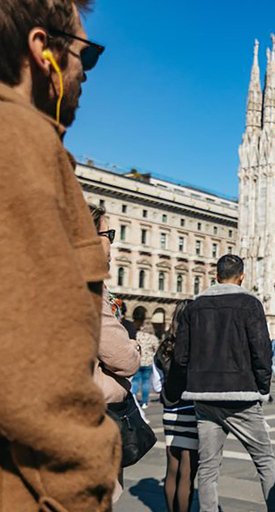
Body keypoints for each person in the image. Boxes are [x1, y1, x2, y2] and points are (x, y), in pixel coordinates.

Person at [0, 1, 122, 509]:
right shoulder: (22, 146)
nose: (86, 74)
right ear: (40, 51)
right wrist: (87, 490)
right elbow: (37, 375)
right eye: (84, 56)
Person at [174, 254, 275, 512]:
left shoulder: (195, 306)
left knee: (209, 466)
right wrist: (263, 388)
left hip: (203, 398)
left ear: (216, 276)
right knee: (265, 461)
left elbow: (181, 355)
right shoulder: (249, 303)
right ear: (242, 276)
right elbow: (261, 350)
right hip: (242, 396)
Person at [89, 204, 141, 501]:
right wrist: (132, 346)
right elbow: (124, 359)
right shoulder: (86, 286)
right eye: (109, 233)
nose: (112, 242)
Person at [154, 300, 198, 512]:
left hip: (169, 410)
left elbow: (157, 384)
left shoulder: (165, 346)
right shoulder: (195, 346)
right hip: (190, 410)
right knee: (188, 471)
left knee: (172, 467)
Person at [134, 321, 160, 408]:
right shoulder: (153, 338)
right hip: (148, 362)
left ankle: (133, 398)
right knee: (146, 382)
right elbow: (156, 349)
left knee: (135, 381)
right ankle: (144, 402)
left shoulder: (138, 336)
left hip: (138, 361)